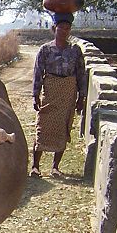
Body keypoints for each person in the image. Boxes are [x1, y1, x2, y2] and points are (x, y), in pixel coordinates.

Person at [30, 12, 86, 178]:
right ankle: (35, 166)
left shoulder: (75, 51)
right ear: (54, 29)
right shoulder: (45, 50)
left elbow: (81, 74)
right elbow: (38, 73)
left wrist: (81, 97)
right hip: (50, 91)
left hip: (68, 93)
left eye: (67, 29)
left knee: (63, 128)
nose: (64, 31)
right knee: (43, 126)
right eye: (61, 28)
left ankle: (55, 167)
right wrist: (35, 95)